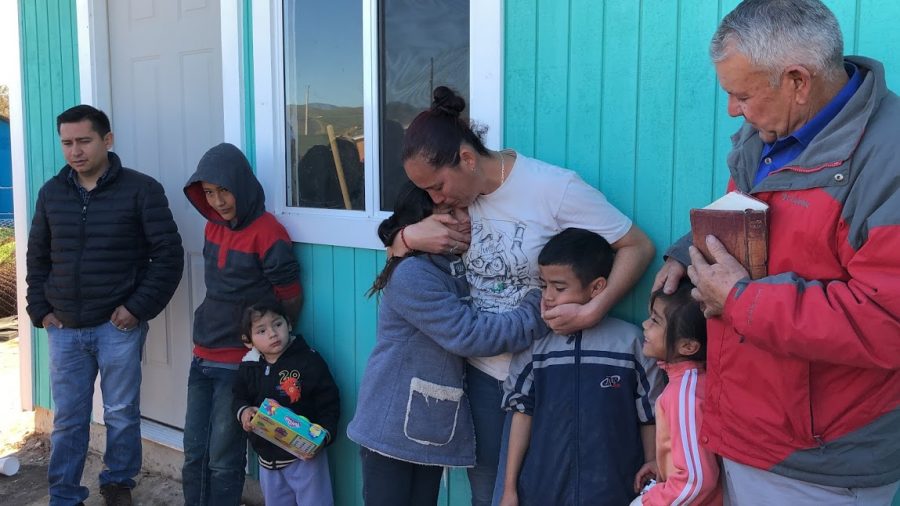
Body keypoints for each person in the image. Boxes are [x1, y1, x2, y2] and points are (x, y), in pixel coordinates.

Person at [653, 0, 900, 503]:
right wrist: (691, 250)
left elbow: (886, 320)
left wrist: (741, 299)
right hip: (749, 428)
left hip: (819, 463)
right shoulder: (774, 128)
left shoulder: (887, 161)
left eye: (741, 94)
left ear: (797, 81)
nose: (732, 111)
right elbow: (761, 212)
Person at [396, 86, 656, 505]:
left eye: (438, 187)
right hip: (479, 374)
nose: (436, 200)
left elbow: (637, 246)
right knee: (490, 496)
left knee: (543, 490)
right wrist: (405, 235)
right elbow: (393, 237)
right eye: (427, 192)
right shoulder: (455, 201)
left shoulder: (554, 189)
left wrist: (592, 311)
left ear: (466, 158)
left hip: (547, 374)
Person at [347, 183, 549, 506]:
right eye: (449, 214)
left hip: (424, 427)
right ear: (421, 225)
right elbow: (468, 334)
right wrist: (535, 310)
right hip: (390, 429)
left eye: (464, 209)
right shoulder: (414, 273)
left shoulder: (452, 262)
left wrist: (403, 239)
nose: (465, 219)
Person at [25, 104, 184, 506]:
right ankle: (64, 494)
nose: (74, 151)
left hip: (118, 326)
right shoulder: (51, 192)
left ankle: (117, 483)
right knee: (69, 419)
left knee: (120, 411)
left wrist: (137, 308)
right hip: (64, 328)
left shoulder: (141, 190)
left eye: (84, 141)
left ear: (107, 140)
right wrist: (40, 311)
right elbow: (37, 257)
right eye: (67, 143)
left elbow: (168, 255)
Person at [499, 228, 663, 506]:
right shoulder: (537, 346)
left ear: (596, 287)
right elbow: (521, 414)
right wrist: (509, 489)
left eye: (559, 287)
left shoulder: (631, 343)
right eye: (543, 285)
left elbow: (649, 416)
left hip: (615, 489)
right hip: (543, 490)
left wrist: (651, 468)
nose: (548, 296)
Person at [182, 142, 303, 505]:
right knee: (193, 452)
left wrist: (266, 347)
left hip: (237, 363)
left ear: (242, 184)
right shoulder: (212, 228)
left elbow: (290, 296)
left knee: (223, 458)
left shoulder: (269, 232)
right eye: (208, 193)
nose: (218, 201)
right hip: (202, 354)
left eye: (224, 191)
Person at [233, 301, 340, 506]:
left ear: (289, 324)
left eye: (277, 324)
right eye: (261, 331)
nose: (272, 333)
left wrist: (325, 435)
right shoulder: (249, 367)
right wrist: (244, 411)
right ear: (248, 341)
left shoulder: (308, 360)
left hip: (305, 459)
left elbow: (329, 401)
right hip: (267, 460)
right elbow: (238, 397)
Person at [630, 281, 722, 506]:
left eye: (655, 321)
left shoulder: (684, 395)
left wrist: (646, 503)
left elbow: (696, 480)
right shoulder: (688, 383)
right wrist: (663, 465)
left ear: (688, 346)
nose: (644, 325)